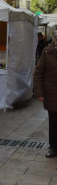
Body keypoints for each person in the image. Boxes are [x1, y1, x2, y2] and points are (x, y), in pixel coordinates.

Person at [34, 30, 57, 158]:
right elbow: (38, 73)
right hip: (52, 93)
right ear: (55, 40)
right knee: (53, 122)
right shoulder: (47, 52)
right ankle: (53, 147)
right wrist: (39, 92)